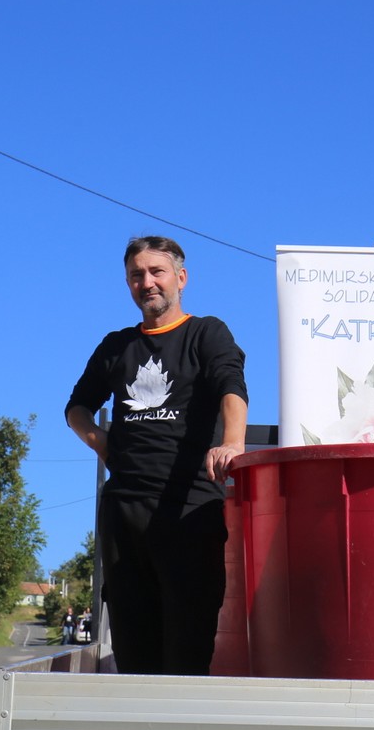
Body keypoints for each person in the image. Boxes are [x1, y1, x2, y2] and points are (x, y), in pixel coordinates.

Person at [65, 235, 248, 675]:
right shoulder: (116, 346)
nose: (147, 282)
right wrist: (102, 443)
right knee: (133, 650)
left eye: (156, 272)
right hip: (124, 515)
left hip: (189, 512)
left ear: (180, 278)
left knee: (186, 650)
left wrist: (234, 443)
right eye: (136, 275)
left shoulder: (206, 333)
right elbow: (77, 407)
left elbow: (231, 386)